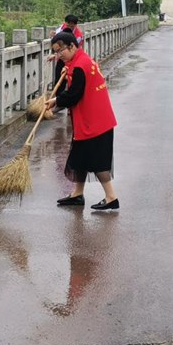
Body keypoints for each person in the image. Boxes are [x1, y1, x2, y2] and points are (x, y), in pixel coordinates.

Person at [45, 31, 120, 210]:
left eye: (60, 50)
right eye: (56, 52)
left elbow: (73, 96)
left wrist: (55, 102)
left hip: (95, 122)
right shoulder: (80, 61)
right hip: (90, 120)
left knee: (98, 161)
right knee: (79, 157)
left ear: (72, 46)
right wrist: (67, 69)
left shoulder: (80, 66)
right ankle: (77, 194)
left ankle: (111, 197)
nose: (59, 55)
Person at [48, 14, 84, 83]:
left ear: (75, 25)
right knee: (58, 78)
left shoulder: (79, 36)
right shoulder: (63, 27)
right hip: (61, 58)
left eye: (72, 26)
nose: (69, 27)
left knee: (71, 79)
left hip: (72, 59)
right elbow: (56, 39)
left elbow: (70, 50)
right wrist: (53, 34)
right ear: (65, 23)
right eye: (67, 25)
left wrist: (55, 55)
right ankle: (58, 92)